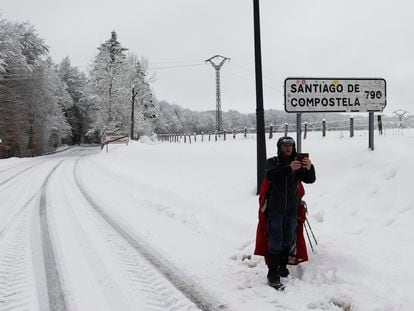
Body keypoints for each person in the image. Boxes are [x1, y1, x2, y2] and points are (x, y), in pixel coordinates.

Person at [264, 136, 316, 290]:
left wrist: (309, 167)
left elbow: (310, 180)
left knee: (288, 238)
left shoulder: (298, 163)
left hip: (292, 209)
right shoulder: (272, 162)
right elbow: (270, 176)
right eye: (284, 145)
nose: (288, 148)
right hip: (275, 208)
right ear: (279, 147)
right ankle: (272, 273)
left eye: (290, 145)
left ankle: (282, 266)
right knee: (276, 239)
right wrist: (288, 169)